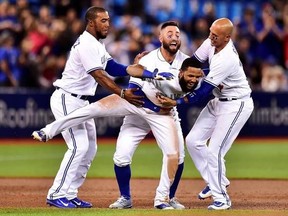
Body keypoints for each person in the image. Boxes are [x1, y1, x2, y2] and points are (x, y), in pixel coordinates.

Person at [32, 6, 173, 209]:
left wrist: (150, 73)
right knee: (78, 147)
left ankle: (70, 193)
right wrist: (122, 93)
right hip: (67, 98)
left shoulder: (96, 44)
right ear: (91, 22)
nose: (108, 24)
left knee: (89, 149)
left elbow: (114, 67)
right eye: (103, 21)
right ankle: (56, 193)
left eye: (108, 20)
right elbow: (99, 75)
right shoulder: (87, 44)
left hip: (81, 100)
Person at [32, 57, 204, 209]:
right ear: (181, 73)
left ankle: (162, 199)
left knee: (174, 155)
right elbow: (136, 79)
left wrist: (178, 100)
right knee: (92, 110)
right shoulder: (168, 77)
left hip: (161, 115)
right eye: (190, 76)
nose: (194, 79)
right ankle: (48, 130)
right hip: (136, 102)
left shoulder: (199, 81)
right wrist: (143, 72)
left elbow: (201, 90)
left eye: (197, 76)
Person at [157, 18, 254, 210]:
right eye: (210, 32)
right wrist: (173, 66)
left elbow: (202, 93)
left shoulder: (227, 58)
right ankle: (216, 180)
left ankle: (222, 199)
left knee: (214, 151)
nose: (210, 37)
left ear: (227, 38)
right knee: (193, 141)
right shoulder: (211, 42)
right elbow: (193, 61)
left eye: (215, 35)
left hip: (236, 104)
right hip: (219, 101)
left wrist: (176, 101)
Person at [108, 21, 189, 210]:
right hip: (140, 111)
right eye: (169, 34)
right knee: (121, 156)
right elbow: (133, 88)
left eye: (177, 34)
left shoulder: (186, 62)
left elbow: (196, 81)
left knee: (178, 157)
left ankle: (168, 197)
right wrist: (151, 104)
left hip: (166, 114)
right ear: (160, 38)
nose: (174, 37)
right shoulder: (147, 59)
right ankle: (125, 198)